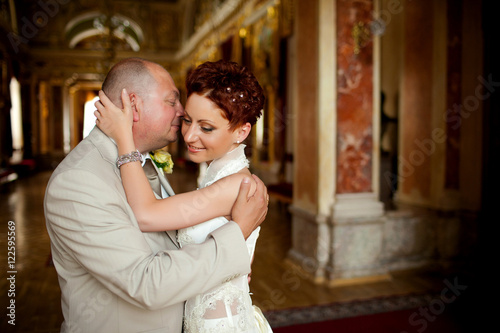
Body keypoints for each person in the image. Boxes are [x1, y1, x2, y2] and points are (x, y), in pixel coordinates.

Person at [44, 57, 269, 333]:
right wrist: (236, 243)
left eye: (205, 126)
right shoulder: (78, 181)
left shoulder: (232, 181)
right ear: (134, 106)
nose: (181, 114)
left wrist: (235, 262)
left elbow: (163, 232)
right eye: (172, 102)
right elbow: (146, 282)